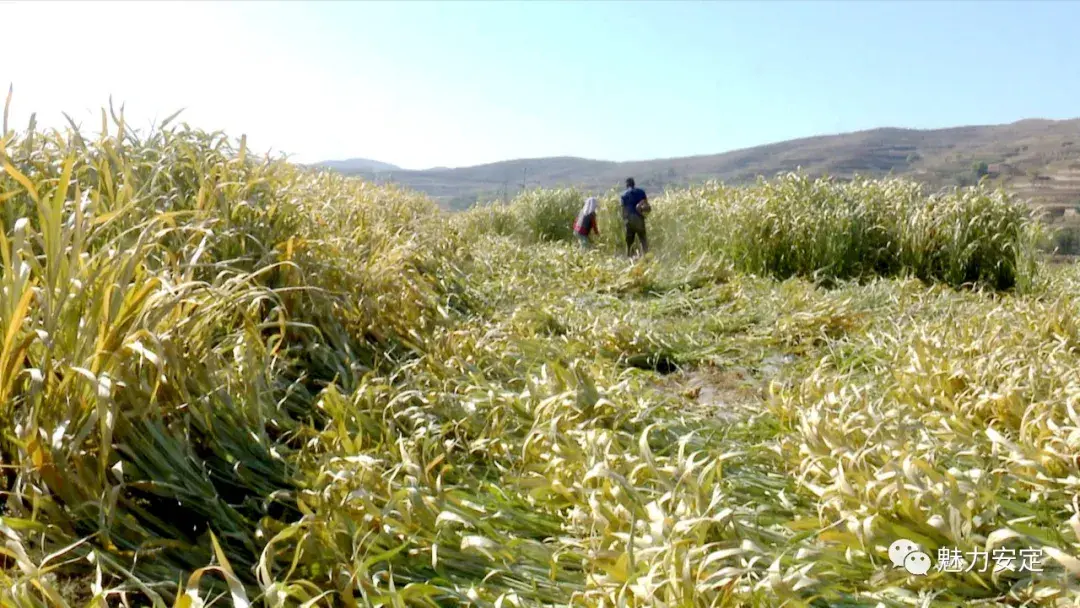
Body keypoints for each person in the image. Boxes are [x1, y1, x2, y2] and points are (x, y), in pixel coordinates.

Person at [620, 178, 649, 257]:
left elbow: (624, 209)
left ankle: (629, 258)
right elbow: (646, 205)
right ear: (634, 184)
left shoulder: (624, 194)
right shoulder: (641, 192)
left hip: (629, 220)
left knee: (629, 242)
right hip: (639, 218)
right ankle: (646, 258)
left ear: (627, 185)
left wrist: (624, 220)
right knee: (643, 240)